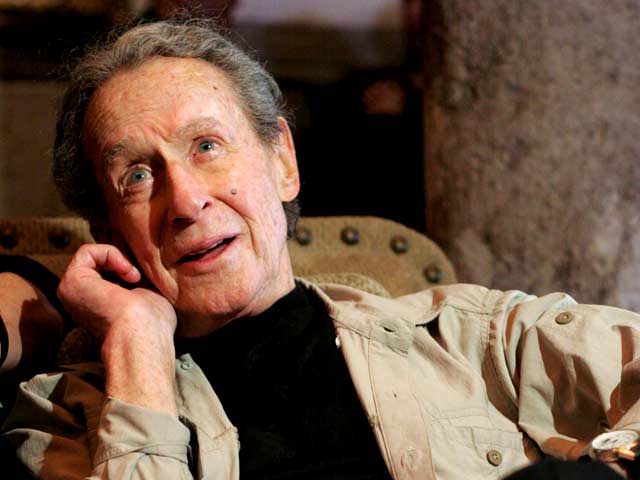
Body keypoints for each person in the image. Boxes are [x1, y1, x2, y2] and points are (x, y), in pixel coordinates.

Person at [2, 18, 640, 479]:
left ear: (282, 160)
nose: (187, 201)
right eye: (138, 176)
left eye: (207, 146)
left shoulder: (473, 338)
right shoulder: (65, 420)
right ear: (112, 232)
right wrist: (138, 345)